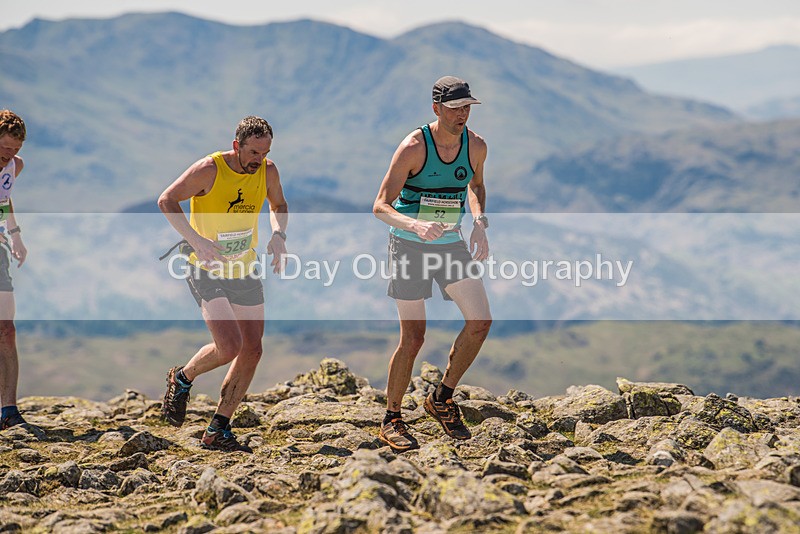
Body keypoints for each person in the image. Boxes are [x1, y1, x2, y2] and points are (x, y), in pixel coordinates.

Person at [372, 76, 492, 451]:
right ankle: (392, 418)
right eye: (456, 108)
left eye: (468, 107)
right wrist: (415, 224)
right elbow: (380, 206)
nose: (463, 114)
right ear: (436, 109)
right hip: (408, 245)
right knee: (414, 336)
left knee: (480, 321)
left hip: (450, 244)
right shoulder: (412, 147)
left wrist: (479, 221)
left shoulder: (476, 146)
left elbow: (475, 185)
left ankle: (441, 398)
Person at [158, 116, 288, 452]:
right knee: (229, 345)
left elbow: (279, 205)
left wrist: (278, 234)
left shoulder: (268, 171)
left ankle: (218, 429)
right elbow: (167, 200)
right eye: (254, 152)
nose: (258, 159)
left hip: (243, 269)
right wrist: (197, 240)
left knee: (253, 348)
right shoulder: (210, 169)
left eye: (265, 152)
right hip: (205, 267)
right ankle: (183, 377)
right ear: (237, 146)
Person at [0, 110, 29, 431]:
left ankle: (8, 410)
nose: (9, 154)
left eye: (15, 149)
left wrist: (15, 233)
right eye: (4, 147)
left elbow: (4, 198)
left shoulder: (14, 166)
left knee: (6, 328)